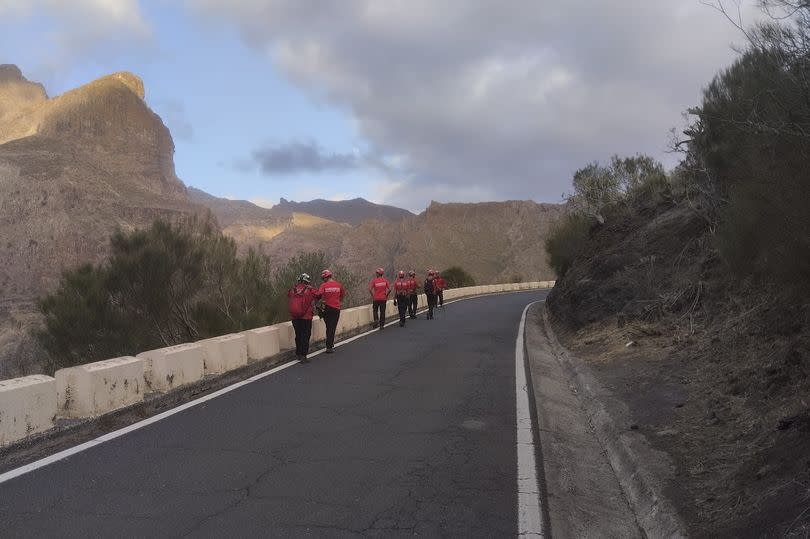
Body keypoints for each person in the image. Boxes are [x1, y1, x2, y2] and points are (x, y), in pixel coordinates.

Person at [287, 273, 317, 363]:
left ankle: (298, 354)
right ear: (307, 281)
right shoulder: (310, 290)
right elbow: (318, 294)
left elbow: (288, 295)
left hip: (295, 317)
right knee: (305, 335)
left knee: (298, 335)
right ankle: (304, 355)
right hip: (306, 317)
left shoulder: (292, 290)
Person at [316, 269, 345, 353]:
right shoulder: (339, 285)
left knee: (328, 326)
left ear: (325, 277)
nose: (323, 280)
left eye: (323, 278)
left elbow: (319, 295)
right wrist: (337, 301)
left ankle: (329, 345)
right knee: (332, 327)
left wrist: (322, 301)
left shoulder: (323, 285)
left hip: (327, 308)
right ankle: (329, 346)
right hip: (336, 309)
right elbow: (342, 295)